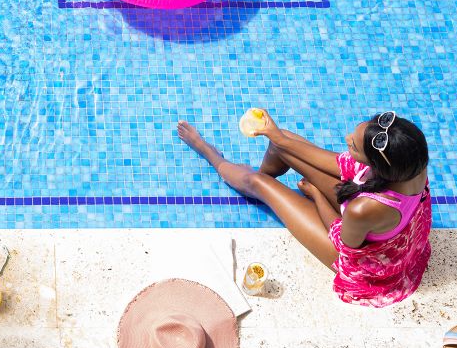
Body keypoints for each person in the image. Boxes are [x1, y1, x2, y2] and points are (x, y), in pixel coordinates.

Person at [177, 111, 431, 307]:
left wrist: (317, 196)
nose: (346, 140)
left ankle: (217, 158)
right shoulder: (408, 164)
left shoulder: (363, 209)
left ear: (375, 164)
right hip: (380, 223)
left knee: (258, 182)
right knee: (283, 142)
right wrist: (278, 138)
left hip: (360, 259)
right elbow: (337, 162)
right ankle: (257, 183)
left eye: (353, 145)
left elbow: (343, 240)